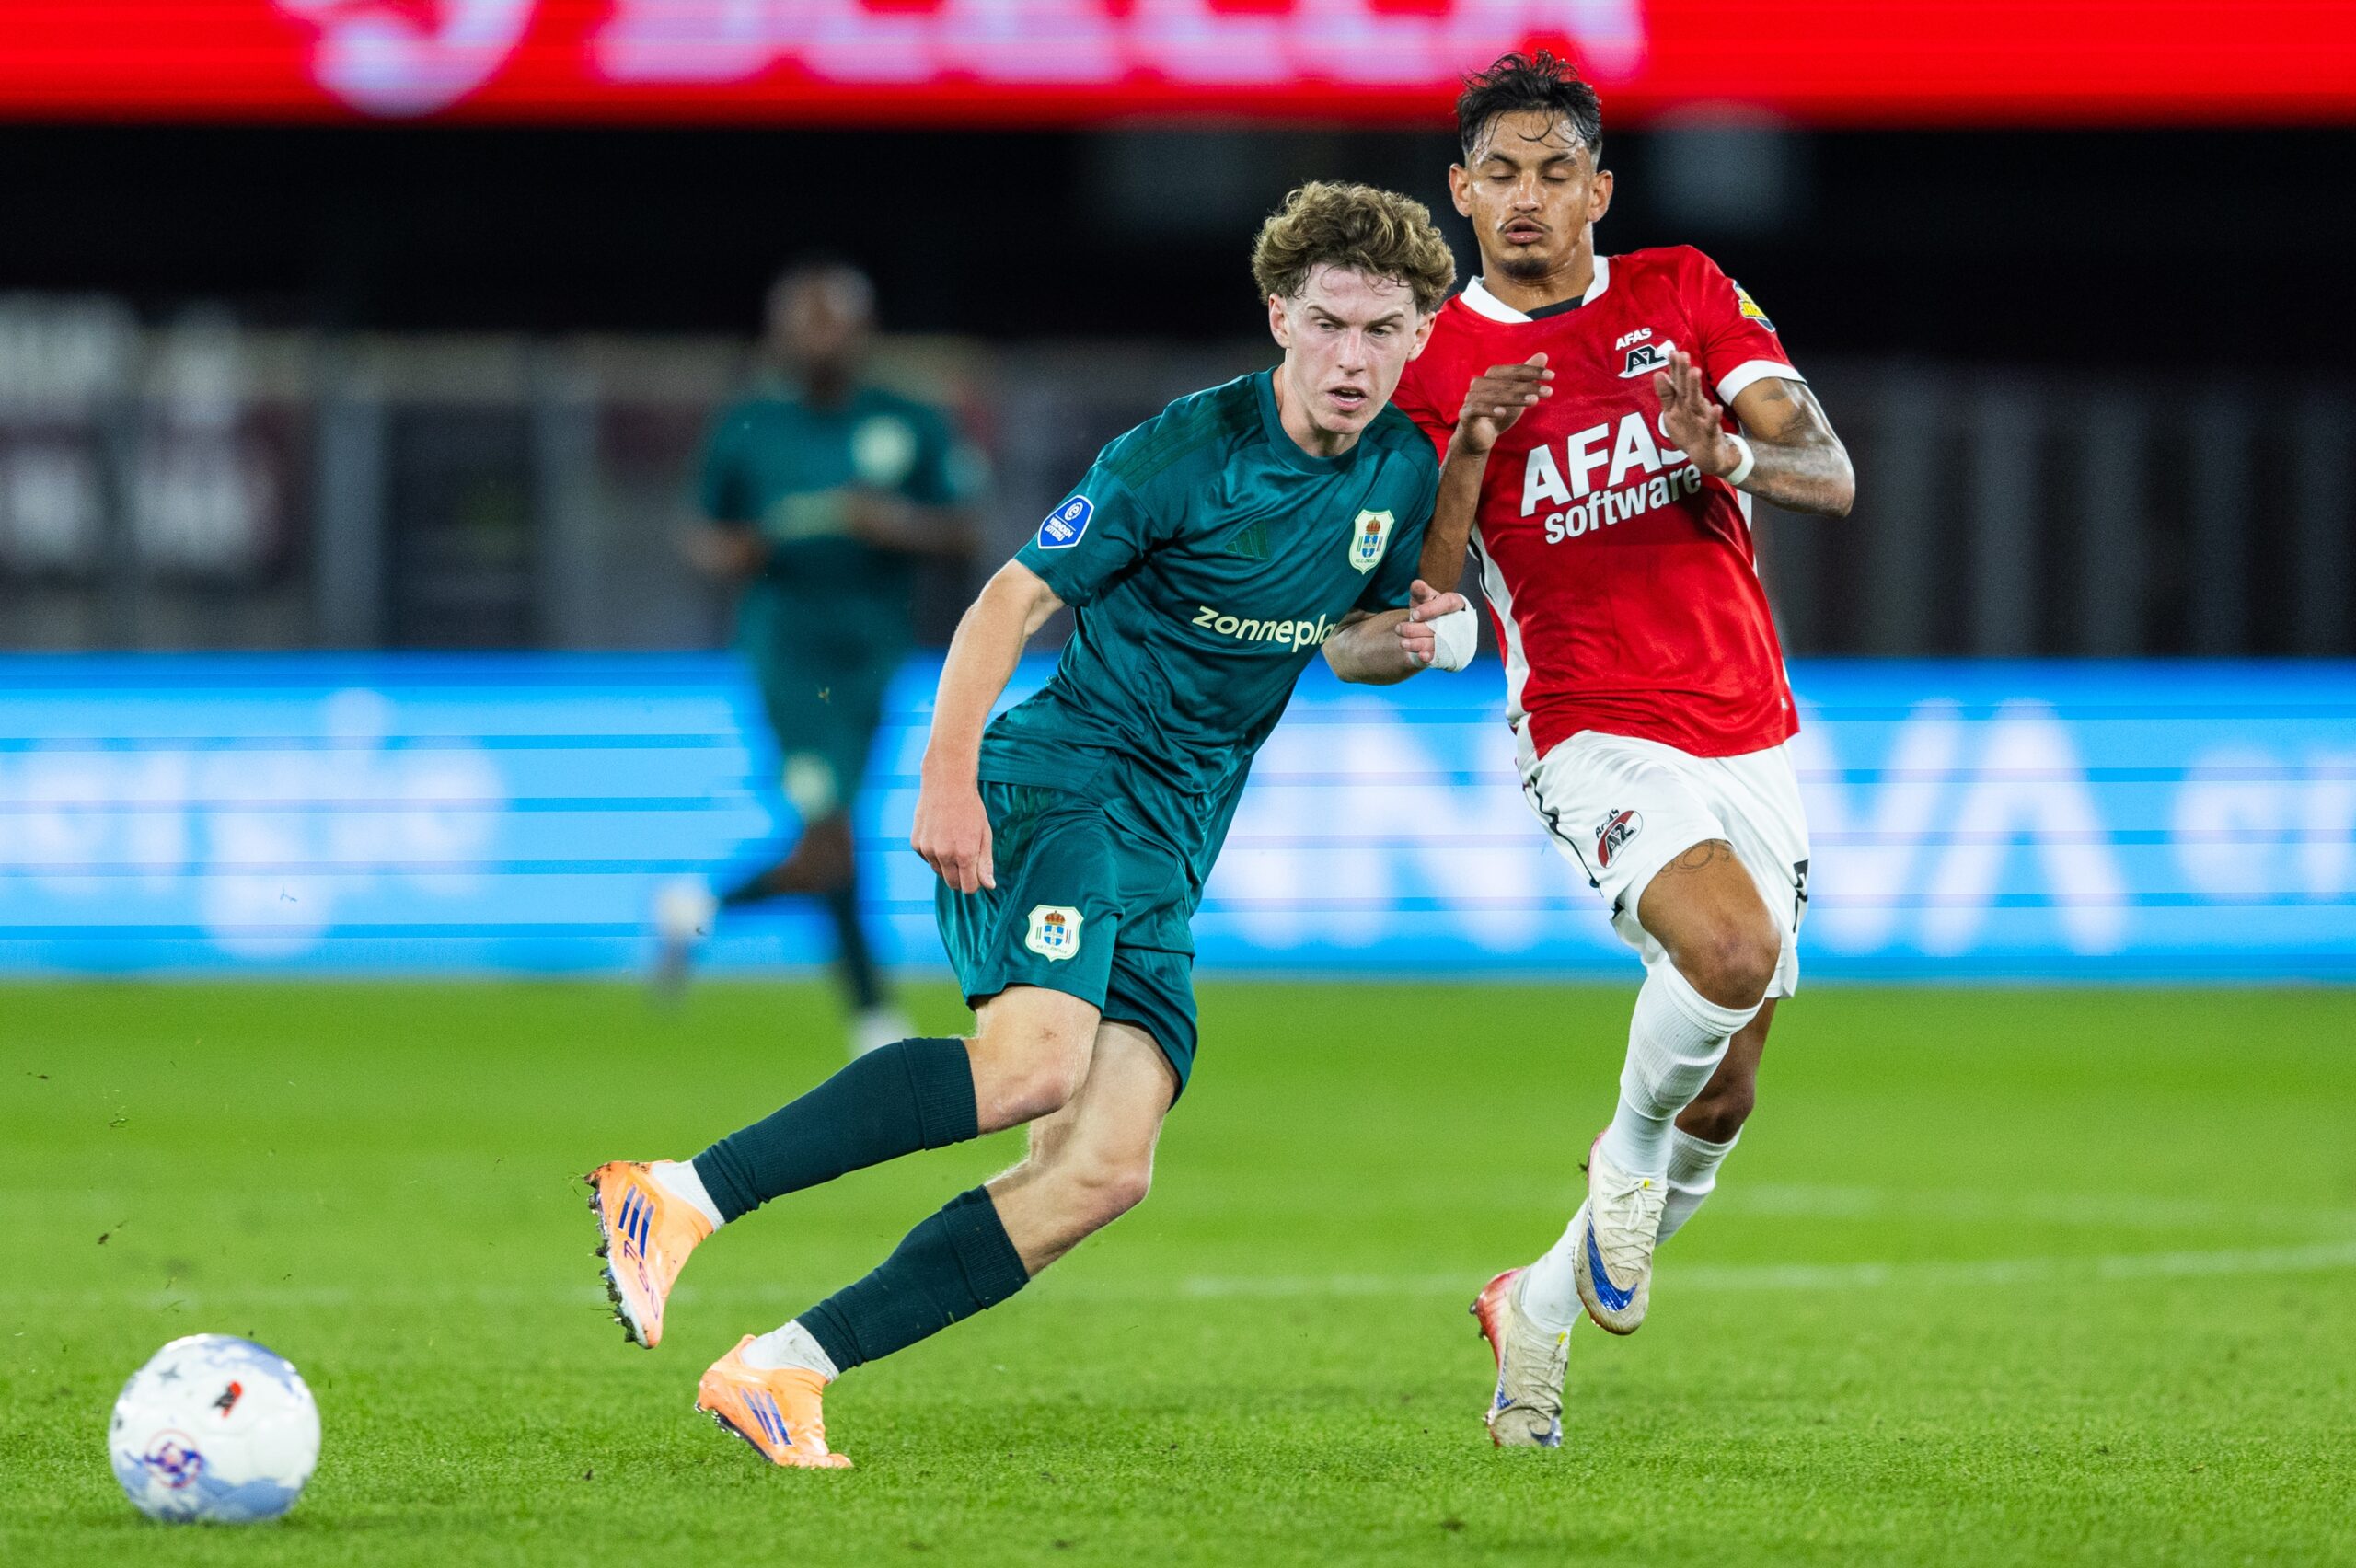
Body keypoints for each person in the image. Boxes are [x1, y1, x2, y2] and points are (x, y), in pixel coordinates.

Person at [587, 181, 1530, 1468]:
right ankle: (679, 1197)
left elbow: (1348, 641)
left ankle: (781, 1370)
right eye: (1329, 325)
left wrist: (1405, 645)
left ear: (1421, 334)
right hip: (1068, 777)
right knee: (1032, 1065)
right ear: (1279, 319)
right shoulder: (1181, 455)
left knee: (1101, 1169)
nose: (1354, 358)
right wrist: (948, 773)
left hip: (1173, 840)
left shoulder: (1399, 470)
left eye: (1383, 331)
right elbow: (1008, 599)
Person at [1389, 52, 1857, 1448]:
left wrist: (1726, 457)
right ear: (1461, 192)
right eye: (1500, 174)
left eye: (1555, 173)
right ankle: (1625, 1162)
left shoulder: (1685, 294)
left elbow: (1827, 470)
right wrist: (1468, 451)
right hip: (1592, 719)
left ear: (1601, 188)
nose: (1527, 200)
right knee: (1726, 954)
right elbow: (1415, 596)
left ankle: (1531, 1301)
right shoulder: (1432, 362)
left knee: (1736, 1075)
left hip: (1751, 721)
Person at [656, 259, 985, 1058]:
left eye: (830, 321)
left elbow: (966, 529)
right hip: (787, 657)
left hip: (871, 653)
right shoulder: (750, 424)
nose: (817, 338)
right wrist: (735, 550)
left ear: (861, 331)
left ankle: (696, 905)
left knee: (828, 839)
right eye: (802, 322)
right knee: (831, 831)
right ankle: (873, 1016)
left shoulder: (907, 418)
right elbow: (700, 532)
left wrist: (891, 526)